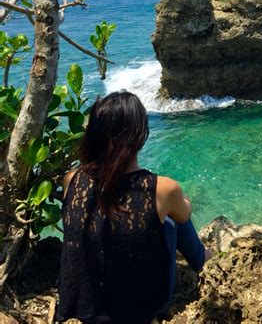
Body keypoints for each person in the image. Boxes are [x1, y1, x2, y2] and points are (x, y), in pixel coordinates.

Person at [57, 91, 209, 324]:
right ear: (139, 135)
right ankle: (203, 262)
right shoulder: (161, 188)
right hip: (139, 308)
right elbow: (185, 213)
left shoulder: (72, 179)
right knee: (173, 219)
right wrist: (181, 199)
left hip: (81, 305)